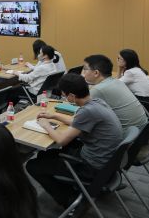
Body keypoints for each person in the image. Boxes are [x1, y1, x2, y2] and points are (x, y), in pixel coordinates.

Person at [26, 73, 123, 209]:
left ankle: (69, 199)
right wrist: (54, 116)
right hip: (105, 162)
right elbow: (78, 122)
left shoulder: (88, 111)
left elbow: (61, 141)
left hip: (91, 167)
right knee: (44, 155)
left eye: (64, 95)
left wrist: (46, 125)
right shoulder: (96, 102)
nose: (64, 98)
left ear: (71, 96)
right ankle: (70, 186)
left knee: (32, 165)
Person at [82, 54, 147, 134]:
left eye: (85, 69)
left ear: (96, 73)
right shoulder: (116, 81)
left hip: (125, 135)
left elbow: (82, 115)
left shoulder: (98, 90)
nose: (83, 73)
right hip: (140, 131)